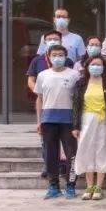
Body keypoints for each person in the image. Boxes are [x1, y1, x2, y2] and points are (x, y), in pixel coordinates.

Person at [35, 44, 81, 199]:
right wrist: (39, 120)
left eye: (61, 55)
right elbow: (39, 99)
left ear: (65, 56)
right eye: (54, 55)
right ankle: (53, 186)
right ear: (48, 56)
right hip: (48, 119)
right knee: (50, 154)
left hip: (68, 120)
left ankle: (71, 186)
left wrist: (77, 122)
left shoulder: (74, 75)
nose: (57, 58)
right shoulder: (43, 75)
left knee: (71, 154)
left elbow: (78, 99)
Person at [72, 55, 106, 201]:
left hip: (104, 119)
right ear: (87, 66)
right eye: (93, 64)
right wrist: (75, 126)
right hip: (86, 120)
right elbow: (76, 105)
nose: (96, 67)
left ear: (103, 67)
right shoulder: (81, 83)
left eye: (99, 64)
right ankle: (89, 186)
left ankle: (99, 187)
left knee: (103, 150)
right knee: (86, 150)